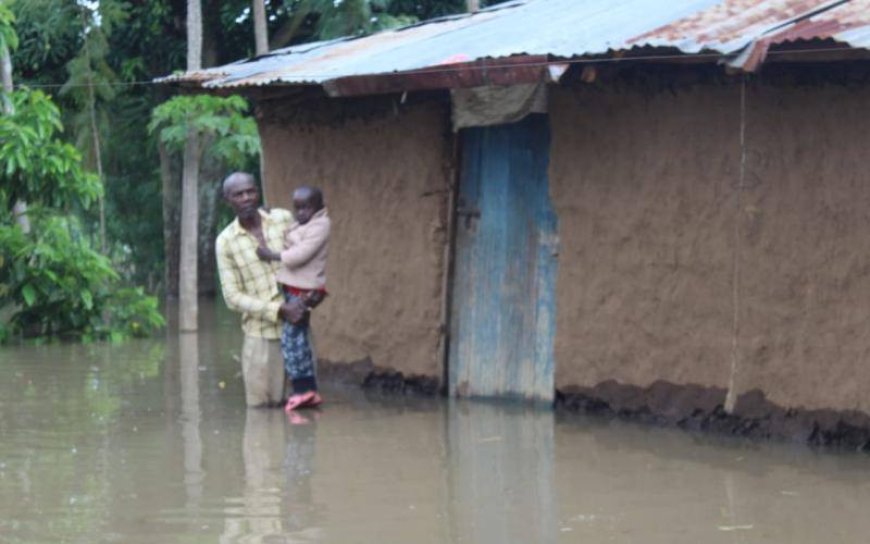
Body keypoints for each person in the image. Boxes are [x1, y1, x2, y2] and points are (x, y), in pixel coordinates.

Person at [215, 172, 302, 408]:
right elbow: (232, 298)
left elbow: (308, 253)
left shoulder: (283, 219)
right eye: (238, 194)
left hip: (298, 331)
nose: (246, 198)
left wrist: (307, 298)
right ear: (228, 200)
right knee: (262, 417)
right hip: (261, 339)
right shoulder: (225, 242)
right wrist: (278, 309)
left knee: (304, 408)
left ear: (258, 193)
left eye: (250, 192)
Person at [255, 186, 330, 413]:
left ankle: (302, 391)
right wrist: (267, 215)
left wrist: (272, 255)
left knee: (291, 341)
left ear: (318, 207)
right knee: (298, 341)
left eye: (306, 207)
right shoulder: (303, 224)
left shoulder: (321, 225)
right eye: (297, 208)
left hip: (303, 291)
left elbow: (299, 255)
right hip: (295, 289)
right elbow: (290, 233)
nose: (301, 213)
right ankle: (308, 390)